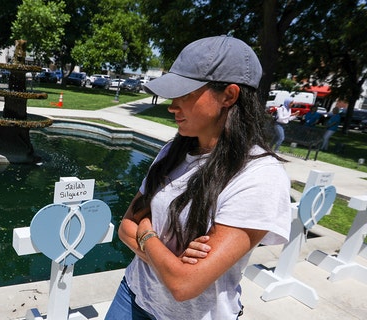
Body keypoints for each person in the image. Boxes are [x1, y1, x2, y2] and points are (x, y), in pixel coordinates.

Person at [104, 35, 291, 320]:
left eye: (185, 94)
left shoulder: (259, 177)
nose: (171, 106)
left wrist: (146, 233)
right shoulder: (172, 151)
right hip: (132, 297)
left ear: (229, 95)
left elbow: (184, 284)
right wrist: (170, 263)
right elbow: (124, 227)